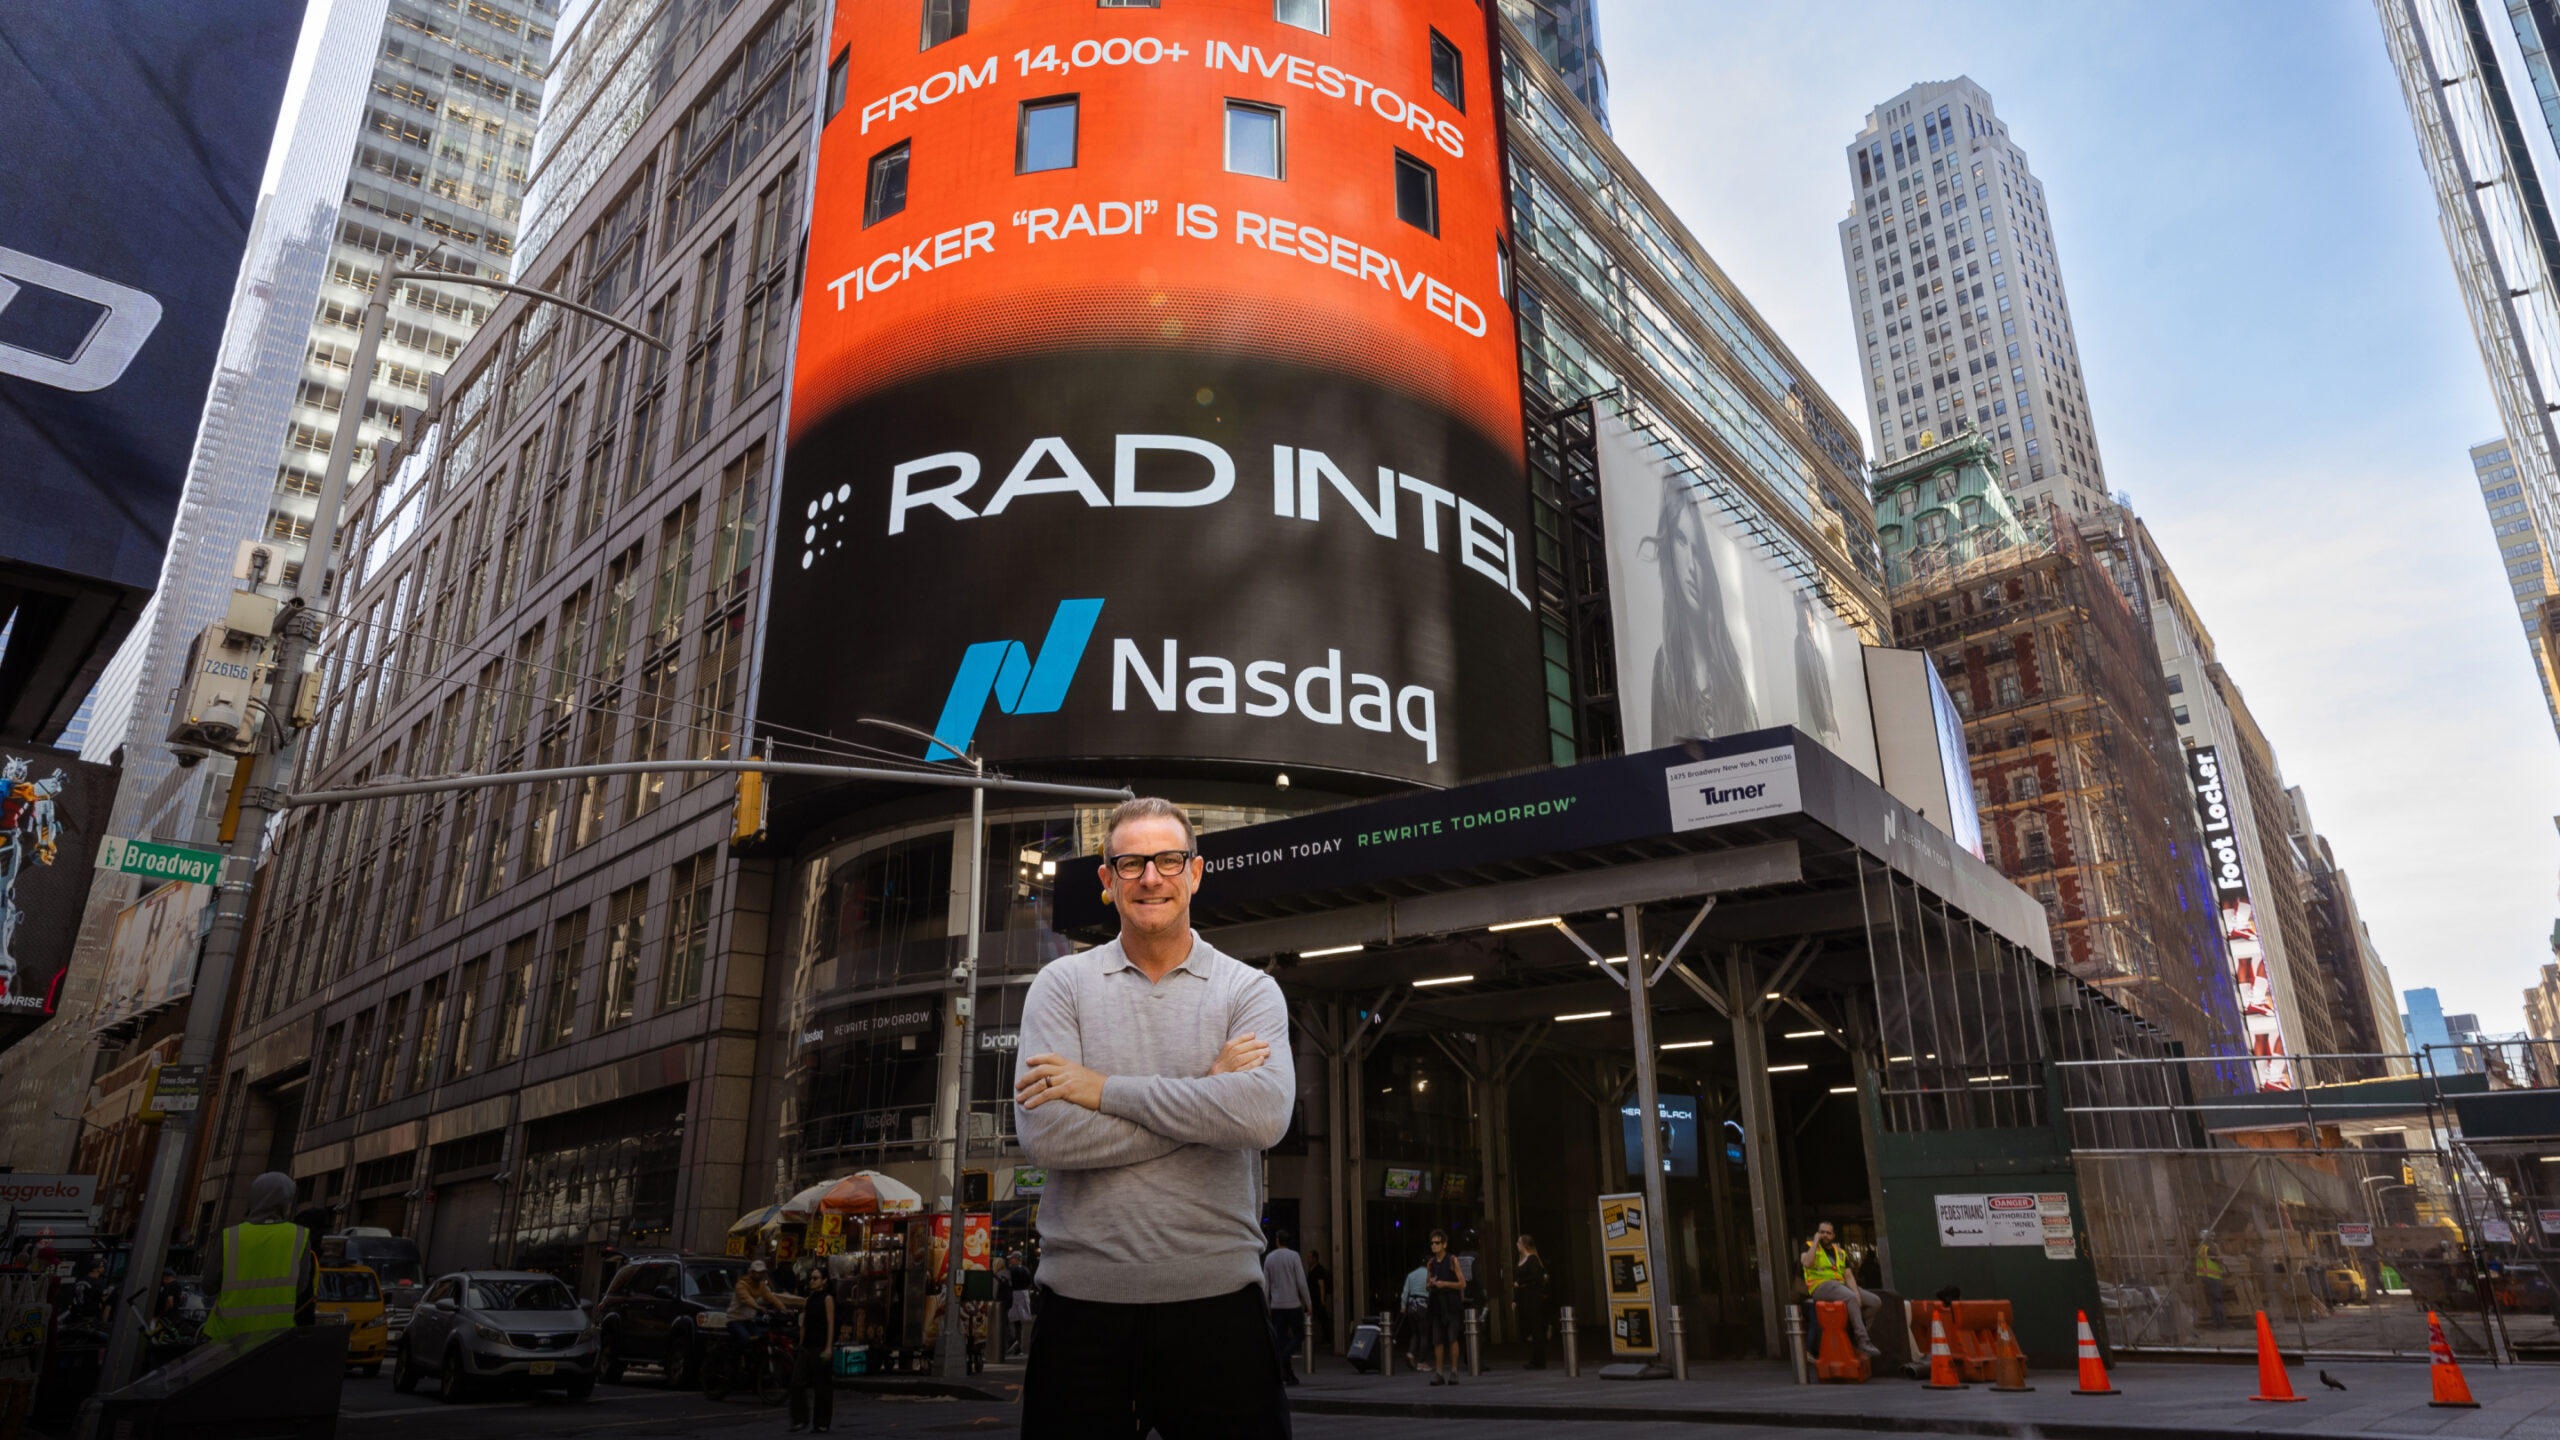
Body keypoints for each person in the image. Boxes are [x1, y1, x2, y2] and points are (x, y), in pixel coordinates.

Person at [1011, 796, 1296, 1438]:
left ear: (1194, 873)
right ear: (1107, 882)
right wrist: (1205, 1094)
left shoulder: (1249, 991)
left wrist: (1102, 1089)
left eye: (1168, 859)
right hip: (1081, 1310)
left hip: (1220, 1306)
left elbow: (1262, 1116)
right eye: (1132, 863)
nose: (1151, 877)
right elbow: (1049, 1134)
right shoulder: (1061, 986)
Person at [202, 1171, 317, 1342]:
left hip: (227, 1336)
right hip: (274, 1336)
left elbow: (209, 1286)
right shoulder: (299, 1236)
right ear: (286, 1201)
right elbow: (301, 1288)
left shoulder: (231, 1236)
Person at [1800, 1221, 1880, 1357]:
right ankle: (1863, 1340)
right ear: (1817, 1233)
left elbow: (1848, 1276)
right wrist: (1814, 1242)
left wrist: (1857, 1294)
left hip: (1840, 1286)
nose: (1825, 1235)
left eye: (1828, 1233)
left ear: (1833, 1235)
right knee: (1850, 1297)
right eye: (1822, 1232)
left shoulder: (1840, 1252)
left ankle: (1853, 1329)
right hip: (1821, 1287)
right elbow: (1807, 1263)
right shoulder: (1808, 1246)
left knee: (1875, 1301)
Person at [788, 1268, 836, 1433]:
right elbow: (804, 1324)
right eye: (811, 1278)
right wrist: (800, 1345)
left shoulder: (827, 1299)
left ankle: (821, 1422)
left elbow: (830, 1323)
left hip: (820, 1346)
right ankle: (800, 1420)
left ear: (824, 1281)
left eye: (816, 1278)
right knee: (796, 1382)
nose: (812, 1281)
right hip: (807, 1346)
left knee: (822, 1386)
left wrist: (829, 1346)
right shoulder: (808, 1300)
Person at [1263, 1231, 1312, 1386]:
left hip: (1276, 1305)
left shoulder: (1269, 1258)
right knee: (1299, 1334)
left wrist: (1266, 1303)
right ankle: (1285, 1359)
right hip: (1293, 1304)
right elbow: (1301, 1281)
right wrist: (1308, 1302)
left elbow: (1266, 1285)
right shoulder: (1294, 1256)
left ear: (1277, 1241)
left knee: (1281, 1338)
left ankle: (1288, 1374)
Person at [1422, 1230, 1467, 1385]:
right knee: (1437, 1340)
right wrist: (1431, 1283)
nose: (1434, 1245)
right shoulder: (1430, 1263)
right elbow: (1427, 1286)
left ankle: (1454, 1371)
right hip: (1436, 1303)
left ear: (1444, 1244)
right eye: (1432, 1243)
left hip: (1451, 1303)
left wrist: (1445, 1284)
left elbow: (1462, 1283)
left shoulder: (1452, 1260)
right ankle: (1439, 1372)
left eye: (1437, 1243)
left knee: (1452, 1337)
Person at [1511, 1235, 1551, 1370]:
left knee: (1536, 1328)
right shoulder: (1522, 1260)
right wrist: (1515, 1299)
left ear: (1524, 1245)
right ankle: (1534, 1359)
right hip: (1524, 1297)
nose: (1517, 1244)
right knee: (1531, 1328)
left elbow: (1536, 1277)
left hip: (1532, 1296)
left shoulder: (1532, 1259)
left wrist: (1520, 1282)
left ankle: (1539, 1361)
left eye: (1518, 1242)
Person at [729, 1259, 788, 1340]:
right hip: (735, 1320)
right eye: (759, 1272)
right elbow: (747, 1299)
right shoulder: (741, 1285)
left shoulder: (761, 1286)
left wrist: (784, 1309)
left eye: (763, 1272)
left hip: (749, 1320)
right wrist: (758, 1307)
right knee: (746, 1339)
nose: (761, 1275)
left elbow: (772, 1298)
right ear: (752, 1272)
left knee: (759, 1339)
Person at [1001, 1251, 1035, 1358]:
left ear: (1016, 1259)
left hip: (1013, 1295)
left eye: (1011, 1258)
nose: (1010, 1260)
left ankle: (1012, 1341)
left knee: (1008, 1319)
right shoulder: (1026, 1270)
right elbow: (1030, 1283)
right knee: (1019, 1323)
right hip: (1023, 1295)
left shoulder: (1010, 1270)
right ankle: (1018, 1345)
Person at [2195, 1230, 2228, 1328]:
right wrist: (2218, 1249)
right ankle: (2221, 1324)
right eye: (2211, 1238)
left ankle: (2216, 1323)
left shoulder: (2200, 1248)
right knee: (2218, 1300)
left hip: (2206, 1277)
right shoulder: (2207, 1249)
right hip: (2212, 1277)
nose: (2213, 1241)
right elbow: (2219, 1259)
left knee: (2213, 1301)